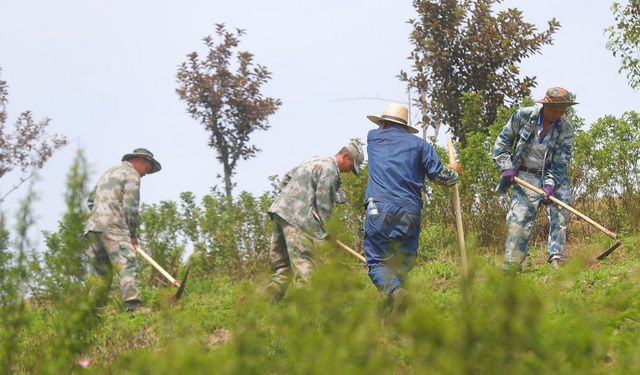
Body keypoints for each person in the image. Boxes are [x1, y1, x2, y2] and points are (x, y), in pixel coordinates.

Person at [364, 103, 460, 309]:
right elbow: (443, 177)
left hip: (377, 207)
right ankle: (396, 311)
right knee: (401, 263)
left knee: (377, 262)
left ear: (382, 123)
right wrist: (454, 171)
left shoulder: (373, 138)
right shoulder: (420, 145)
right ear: (405, 126)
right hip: (409, 210)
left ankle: (396, 293)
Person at [266, 140, 364, 301]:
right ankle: (305, 319)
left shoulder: (314, 160)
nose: (349, 172)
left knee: (281, 268)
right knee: (305, 267)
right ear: (345, 156)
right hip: (297, 221)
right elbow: (323, 203)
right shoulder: (330, 170)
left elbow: (286, 178)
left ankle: (265, 308)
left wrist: (292, 201)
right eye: (351, 167)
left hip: (279, 213)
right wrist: (329, 232)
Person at [492, 87, 577, 271]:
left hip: (553, 176)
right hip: (524, 175)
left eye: (563, 109)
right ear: (545, 105)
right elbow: (502, 141)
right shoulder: (523, 116)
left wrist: (550, 184)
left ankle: (557, 258)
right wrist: (506, 166)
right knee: (519, 218)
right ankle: (512, 264)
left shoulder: (565, 128)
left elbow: (561, 161)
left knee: (561, 211)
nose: (559, 113)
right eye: (556, 108)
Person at [84, 148, 161, 312]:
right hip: (114, 226)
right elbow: (130, 207)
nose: (146, 174)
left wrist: (101, 214)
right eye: (147, 169)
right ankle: (133, 306)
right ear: (141, 160)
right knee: (126, 263)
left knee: (100, 271)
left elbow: (91, 200)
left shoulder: (108, 172)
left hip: (93, 227)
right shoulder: (131, 174)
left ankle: (94, 310)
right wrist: (132, 235)